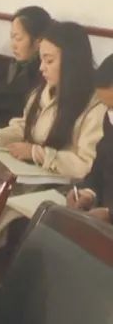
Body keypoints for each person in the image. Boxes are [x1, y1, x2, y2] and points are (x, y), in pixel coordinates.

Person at [0, 22, 104, 180]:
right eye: (41, 60)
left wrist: (37, 153)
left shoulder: (95, 106)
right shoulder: (43, 91)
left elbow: (86, 165)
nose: (41, 68)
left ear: (72, 63)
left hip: (64, 184)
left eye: (49, 61)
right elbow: (24, 127)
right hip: (33, 173)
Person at [0, 6, 53, 127]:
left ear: (38, 41)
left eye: (18, 38)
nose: (13, 45)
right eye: (12, 37)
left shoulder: (43, 75)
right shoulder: (15, 66)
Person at [68, 55, 113, 224]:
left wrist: (110, 214)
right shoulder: (109, 118)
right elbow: (101, 167)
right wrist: (88, 193)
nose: (110, 113)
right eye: (107, 107)